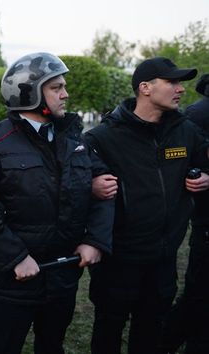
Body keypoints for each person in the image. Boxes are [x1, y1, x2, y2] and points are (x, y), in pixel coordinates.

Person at [0, 52, 114, 354]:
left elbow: (106, 189)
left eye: (64, 86)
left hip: (63, 277)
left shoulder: (73, 140)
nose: (66, 94)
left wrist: (95, 240)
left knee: (52, 345)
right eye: (56, 88)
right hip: (10, 282)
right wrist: (15, 256)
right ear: (28, 92)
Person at [85, 57, 209, 354]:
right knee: (108, 330)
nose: (181, 89)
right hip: (118, 260)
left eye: (181, 83)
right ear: (145, 88)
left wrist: (206, 177)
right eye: (172, 82)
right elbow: (74, 187)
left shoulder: (186, 132)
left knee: (151, 331)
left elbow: (203, 163)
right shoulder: (102, 137)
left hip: (163, 259)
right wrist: (90, 186)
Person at [160, 73, 209, 354]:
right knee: (199, 296)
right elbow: (183, 161)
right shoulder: (199, 114)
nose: (179, 90)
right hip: (204, 223)